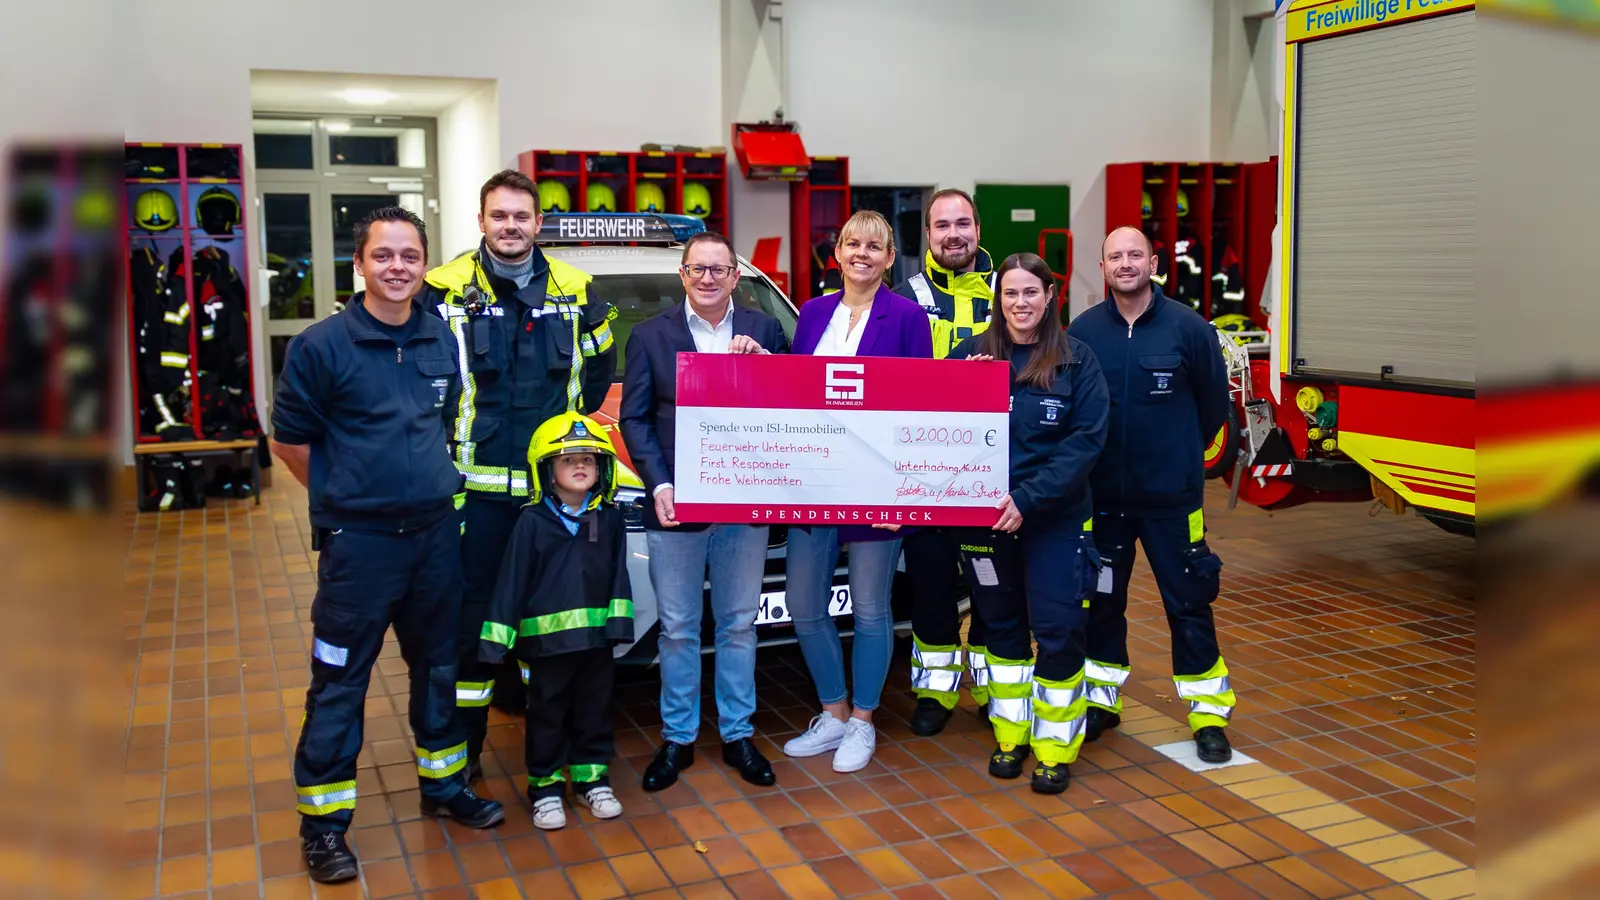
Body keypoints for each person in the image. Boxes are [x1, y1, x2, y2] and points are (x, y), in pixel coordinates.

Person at [271, 207, 505, 884]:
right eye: (384, 256)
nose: (397, 267)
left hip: (434, 540)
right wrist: (346, 495)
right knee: (340, 681)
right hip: (361, 549)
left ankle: (444, 787)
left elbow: (447, 422)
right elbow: (288, 442)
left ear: (423, 264)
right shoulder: (321, 347)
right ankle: (324, 827)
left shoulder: (439, 339)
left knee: (438, 669)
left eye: (409, 256)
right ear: (360, 265)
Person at [419, 169, 618, 782]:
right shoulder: (441, 291)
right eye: (498, 216)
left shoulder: (579, 291)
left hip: (550, 505)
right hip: (474, 505)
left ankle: (550, 761)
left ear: (539, 223)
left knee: (551, 636)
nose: (510, 226)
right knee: (470, 636)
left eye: (521, 216)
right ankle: (461, 762)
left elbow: (596, 377)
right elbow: (426, 392)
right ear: (481, 222)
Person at [618, 231, 790, 790]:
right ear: (683, 275)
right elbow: (635, 419)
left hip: (744, 503)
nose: (709, 278)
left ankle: (738, 734)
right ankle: (678, 738)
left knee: (740, 624)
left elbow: (794, 401)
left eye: (720, 270)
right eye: (699, 269)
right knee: (678, 628)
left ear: (736, 277)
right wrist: (659, 482)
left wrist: (766, 363)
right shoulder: (650, 336)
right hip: (677, 504)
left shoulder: (764, 330)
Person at [1067, 226, 1236, 764]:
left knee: (1189, 606)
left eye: (1134, 254)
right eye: (1115, 256)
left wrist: (1177, 460)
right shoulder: (1084, 331)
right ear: (1103, 267)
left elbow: (1214, 410)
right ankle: (1100, 701)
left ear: (1153, 262)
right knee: (1101, 605)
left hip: (1172, 504)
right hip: (1103, 505)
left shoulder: (1189, 329)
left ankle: (1208, 716)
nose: (1125, 263)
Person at [948, 252, 1109, 793]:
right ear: (998, 300)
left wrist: (1029, 498)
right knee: (1000, 629)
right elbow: (926, 427)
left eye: (1030, 293)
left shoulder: (1076, 361)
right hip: (985, 524)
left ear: (1048, 297)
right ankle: (1010, 735)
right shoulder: (970, 356)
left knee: (1059, 631)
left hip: (1055, 520)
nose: (1020, 303)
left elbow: (1085, 443)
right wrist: (955, 390)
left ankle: (1055, 747)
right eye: (1010, 294)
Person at [780, 211, 933, 772]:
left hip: (878, 485)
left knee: (871, 608)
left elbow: (921, 406)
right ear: (837, 254)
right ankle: (834, 713)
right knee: (803, 604)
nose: (862, 253)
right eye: (852, 244)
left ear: (890, 258)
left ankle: (864, 722)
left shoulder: (908, 318)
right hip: (814, 484)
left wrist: (904, 493)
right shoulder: (813, 314)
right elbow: (793, 395)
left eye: (875, 246)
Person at [478, 412, 633, 831]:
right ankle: (545, 789)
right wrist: (496, 640)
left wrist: (620, 625)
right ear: (546, 470)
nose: (580, 465)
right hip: (546, 650)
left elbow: (619, 574)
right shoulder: (531, 523)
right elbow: (511, 583)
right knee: (547, 717)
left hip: (596, 644)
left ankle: (591, 780)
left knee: (595, 712)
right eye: (567, 460)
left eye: (588, 458)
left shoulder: (610, 518)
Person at [891, 189, 999, 736]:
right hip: (924, 474)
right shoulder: (903, 295)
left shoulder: (1014, 289)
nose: (952, 234)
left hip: (991, 472)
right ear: (927, 235)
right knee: (930, 587)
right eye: (941, 225)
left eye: (962, 223)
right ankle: (934, 690)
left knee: (991, 586)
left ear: (978, 228)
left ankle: (988, 689)